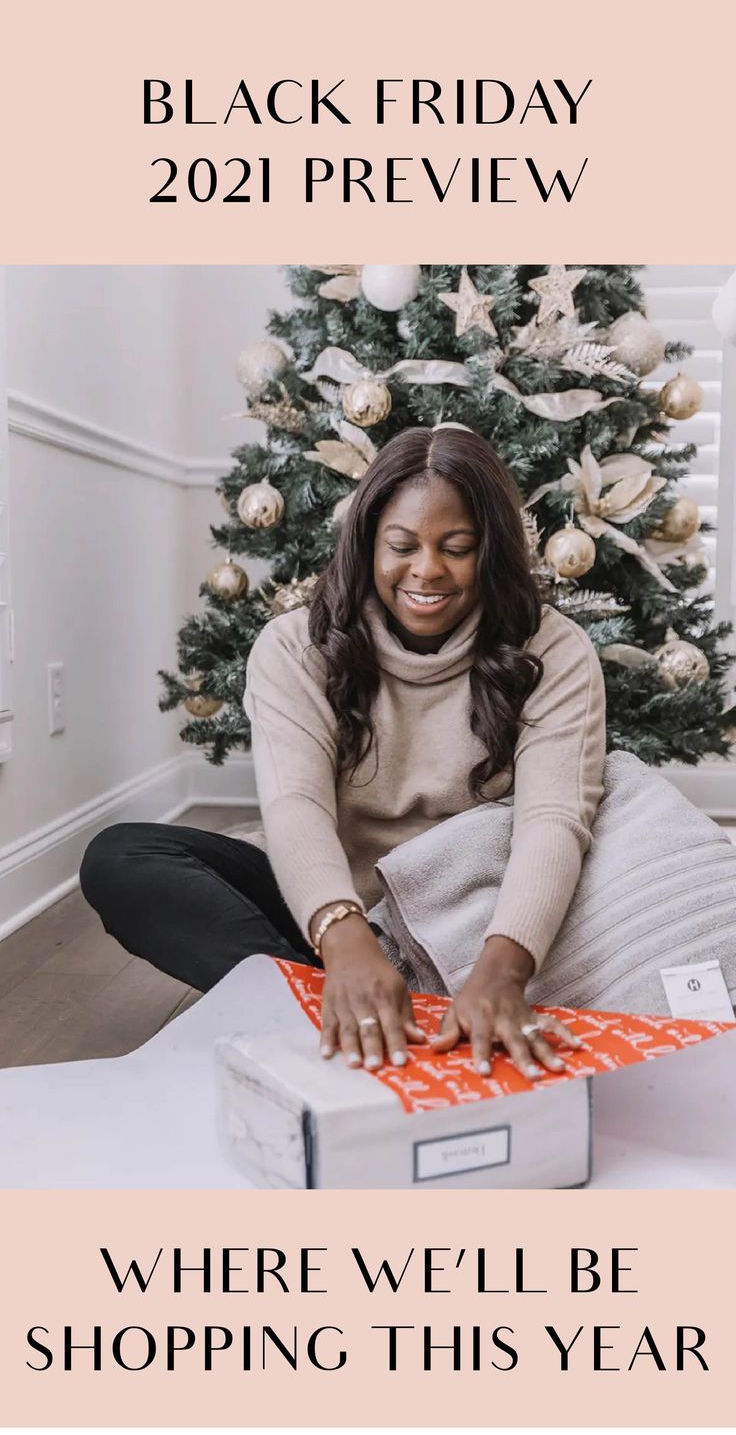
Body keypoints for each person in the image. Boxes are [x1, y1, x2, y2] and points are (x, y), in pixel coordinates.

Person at [81, 426, 606, 1081]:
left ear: (493, 552)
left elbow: (552, 820)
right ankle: (340, 1006)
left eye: (458, 548)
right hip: (336, 910)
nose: (426, 570)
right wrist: (344, 941)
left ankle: (369, 1021)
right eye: (402, 546)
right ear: (367, 544)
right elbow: (295, 806)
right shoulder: (294, 648)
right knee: (121, 857)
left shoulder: (555, 652)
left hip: (468, 923)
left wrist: (504, 969)